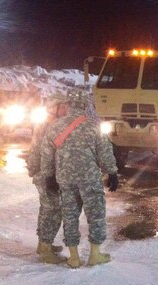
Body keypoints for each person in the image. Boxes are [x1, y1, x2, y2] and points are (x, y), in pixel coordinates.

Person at [41, 90, 119, 268]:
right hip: (89, 179)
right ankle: (95, 254)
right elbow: (105, 153)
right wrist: (112, 173)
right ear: (85, 105)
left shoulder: (55, 126)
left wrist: (49, 176)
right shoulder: (93, 126)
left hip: (65, 179)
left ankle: (74, 257)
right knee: (96, 215)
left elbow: (46, 155)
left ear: (68, 104)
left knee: (69, 216)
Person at [26, 93, 69, 264]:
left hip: (47, 173)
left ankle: (43, 244)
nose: (66, 109)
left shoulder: (51, 123)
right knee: (53, 209)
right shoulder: (49, 126)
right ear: (54, 108)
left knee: (47, 208)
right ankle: (45, 248)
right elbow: (45, 154)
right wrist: (50, 176)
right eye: (62, 106)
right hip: (47, 174)